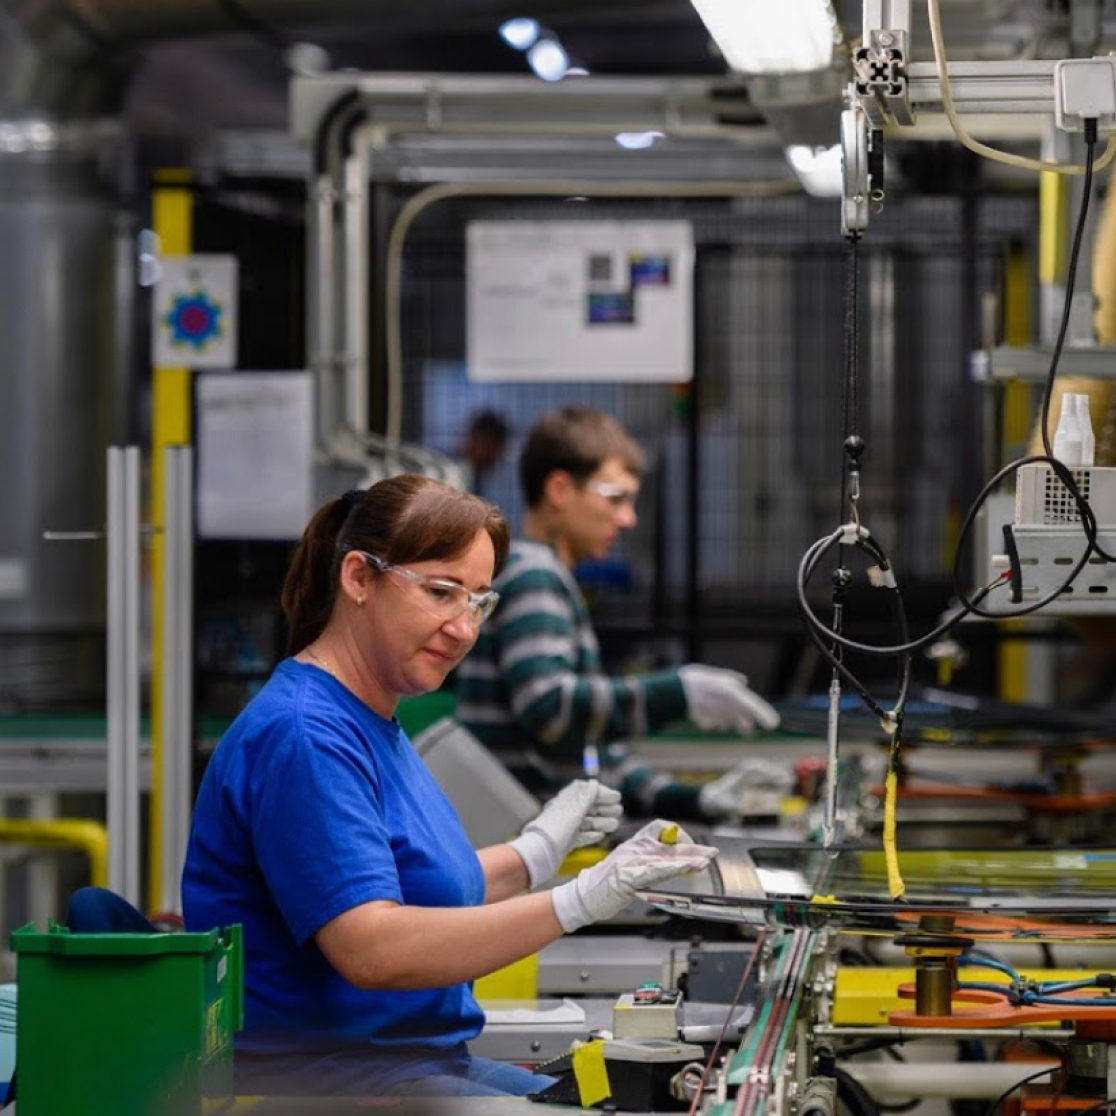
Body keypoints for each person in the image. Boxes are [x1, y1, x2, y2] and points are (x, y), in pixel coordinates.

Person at [181, 473, 716, 1099]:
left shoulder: (372, 715)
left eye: (479, 602)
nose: (464, 628)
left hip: (411, 1067)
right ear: (358, 578)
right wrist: (578, 901)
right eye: (440, 592)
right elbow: (372, 946)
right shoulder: (306, 735)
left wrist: (537, 852)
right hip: (330, 1088)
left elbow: (415, 883)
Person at [455, 407, 782, 823]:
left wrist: (693, 799)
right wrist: (677, 692)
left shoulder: (541, 572)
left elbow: (592, 753)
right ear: (560, 489)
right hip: (525, 840)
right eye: (615, 498)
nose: (628, 518)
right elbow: (550, 708)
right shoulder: (534, 571)